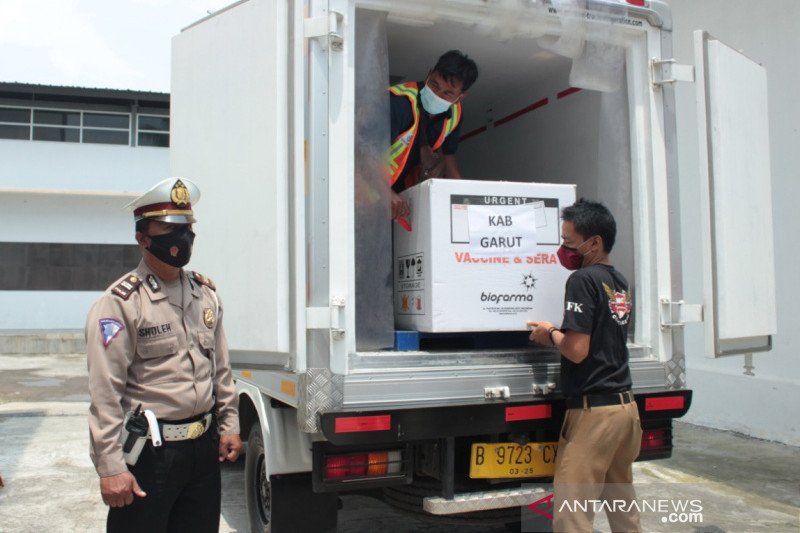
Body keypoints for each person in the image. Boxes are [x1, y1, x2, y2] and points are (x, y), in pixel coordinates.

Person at [86, 177, 241, 532]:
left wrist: (230, 423)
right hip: (149, 455)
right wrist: (111, 467)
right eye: (171, 228)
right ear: (143, 238)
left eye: (187, 227)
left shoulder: (206, 294)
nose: (183, 237)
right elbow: (104, 393)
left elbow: (221, 370)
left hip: (203, 449)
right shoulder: (121, 303)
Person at [527, 199, 641, 533]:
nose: (564, 249)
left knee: (572, 516)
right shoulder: (618, 281)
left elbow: (577, 350)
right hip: (625, 411)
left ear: (594, 243)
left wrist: (549, 333)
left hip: (595, 416)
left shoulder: (582, 280)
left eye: (568, 241)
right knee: (623, 511)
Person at [388, 49, 478, 220]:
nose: (437, 94)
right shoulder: (400, 104)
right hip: (366, 185)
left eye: (448, 93)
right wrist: (385, 192)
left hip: (399, 193)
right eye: (435, 85)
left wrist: (465, 198)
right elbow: (363, 150)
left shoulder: (455, 114)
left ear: (460, 97)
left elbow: (449, 158)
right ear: (429, 74)